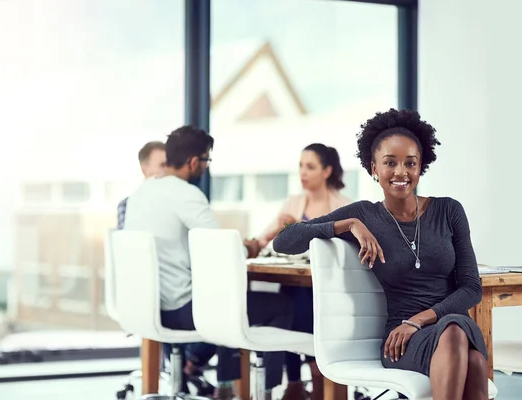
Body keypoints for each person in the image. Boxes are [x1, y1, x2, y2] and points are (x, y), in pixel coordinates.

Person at [273, 109, 488, 400]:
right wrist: (347, 224)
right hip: (400, 341)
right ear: (374, 168)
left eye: (410, 163)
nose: (401, 172)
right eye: (390, 163)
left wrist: (419, 320)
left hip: (445, 328)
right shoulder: (364, 214)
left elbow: (472, 288)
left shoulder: (449, 211)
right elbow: (285, 241)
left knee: (459, 337)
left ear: (420, 167)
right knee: (467, 352)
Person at [124, 126, 293, 400]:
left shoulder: (139, 194)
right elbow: (221, 251)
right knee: (280, 306)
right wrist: (249, 246)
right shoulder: (186, 194)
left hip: (147, 307)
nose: (205, 166)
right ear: (194, 161)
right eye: (206, 160)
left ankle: (226, 386)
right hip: (180, 309)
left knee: (228, 299)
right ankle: (263, 391)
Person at [257, 143, 350, 400]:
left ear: (327, 170)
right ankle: (303, 378)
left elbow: (346, 253)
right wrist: (277, 227)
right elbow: (265, 240)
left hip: (327, 287)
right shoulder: (293, 202)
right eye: (300, 166)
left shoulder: (344, 205)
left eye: (310, 166)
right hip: (294, 281)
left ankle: (302, 379)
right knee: (289, 300)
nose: (303, 172)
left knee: (299, 302)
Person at [117, 141, 166, 229]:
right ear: (144, 170)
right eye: (162, 165)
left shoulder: (174, 198)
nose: (168, 170)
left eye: (169, 165)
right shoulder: (126, 206)